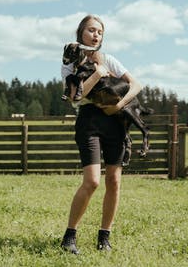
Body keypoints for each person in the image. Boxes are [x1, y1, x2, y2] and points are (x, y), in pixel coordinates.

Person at [60, 15, 142, 254]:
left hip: (114, 122)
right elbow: (76, 96)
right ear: (81, 34)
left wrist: (120, 105)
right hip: (89, 122)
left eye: (100, 32)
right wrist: (98, 73)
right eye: (91, 31)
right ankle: (69, 237)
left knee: (114, 181)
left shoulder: (111, 60)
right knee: (93, 181)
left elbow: (136, 85)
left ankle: (104, 237)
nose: (96, 35)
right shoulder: (71, 63)